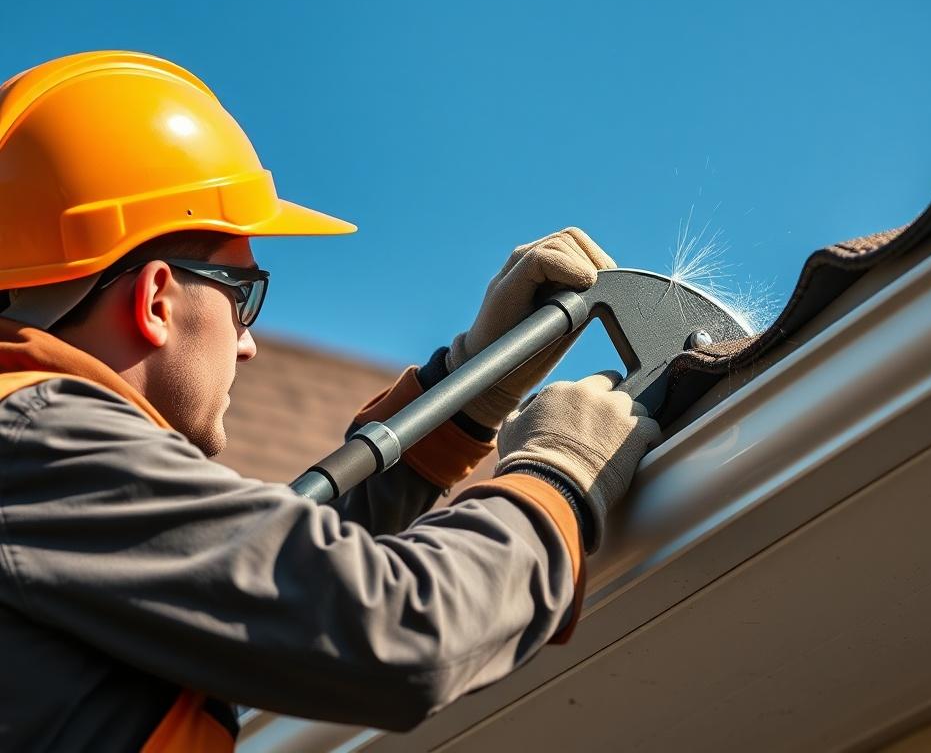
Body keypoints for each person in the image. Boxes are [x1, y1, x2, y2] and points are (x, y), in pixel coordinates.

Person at [0, 51, 660, 752]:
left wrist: (463, 388)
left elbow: (273, 590)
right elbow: (400, 627)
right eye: (243, 295)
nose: (248, 344)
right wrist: (559, 473)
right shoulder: (37, 443)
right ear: (158, 297)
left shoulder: (42, 472)